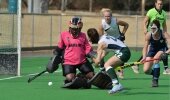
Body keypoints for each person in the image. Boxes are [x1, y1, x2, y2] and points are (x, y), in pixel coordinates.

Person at [87, 28, 131, 94]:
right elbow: (104, 53)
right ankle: (117, 86)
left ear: (93, 37)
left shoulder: (101, 43)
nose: (89, 40)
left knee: (107, 65)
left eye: (89, 38)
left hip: (123, 52)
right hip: (125, 51)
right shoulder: (104, 37)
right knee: (108, 68)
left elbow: (97, 62)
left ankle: (117, 85)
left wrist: (93, 59)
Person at [55, 16, 95, 89]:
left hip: (82, 61)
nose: (74, 31)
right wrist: (54, 59)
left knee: (92, 76)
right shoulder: (64, 35)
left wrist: (92, 55)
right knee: (70, 78)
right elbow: (59, 47)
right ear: (69, 27)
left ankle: (81, 77)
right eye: (72, 28)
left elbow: (87, 47)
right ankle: (71, 80)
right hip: (68, 61)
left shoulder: (83, 35)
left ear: (80, 28)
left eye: (76, 29)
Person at [132, 0, 170, 74]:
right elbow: (145, 21)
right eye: (158, 4)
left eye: (161, 4)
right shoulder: (151, 11)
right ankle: (137, 64)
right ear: (155, 4)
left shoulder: (164, 13)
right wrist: (145, 28)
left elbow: (164, 25)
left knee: (158, 50)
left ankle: (137, 64)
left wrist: (165, 34)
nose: (160, 5)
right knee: (149, 49)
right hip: (151, 34)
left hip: (159, 35)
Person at [98, 8, 129, 78]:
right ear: (103, 17)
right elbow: (101, 37)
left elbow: (126, 25)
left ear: (111, 16)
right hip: (109, 41)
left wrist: (123, 34)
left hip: (118, 40)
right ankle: (102, 68)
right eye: (105, 16)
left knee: (119, 56)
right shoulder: (102, 25)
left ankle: (120, 71)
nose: (107, 18)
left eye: (108, 16)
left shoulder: (116, 21)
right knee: (101, 55)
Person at [141, 20, 170, 87]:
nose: (152, 30)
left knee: (155, 59)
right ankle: (156, 74)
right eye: (151, 28)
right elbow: (145, 48)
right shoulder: (148, 35)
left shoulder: (164, 34)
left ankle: (155, 80)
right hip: (152, 50)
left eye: (154, 28)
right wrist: (144, 57)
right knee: (146, 70)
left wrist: (166, 53)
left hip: (162, 49)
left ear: (158, 28)